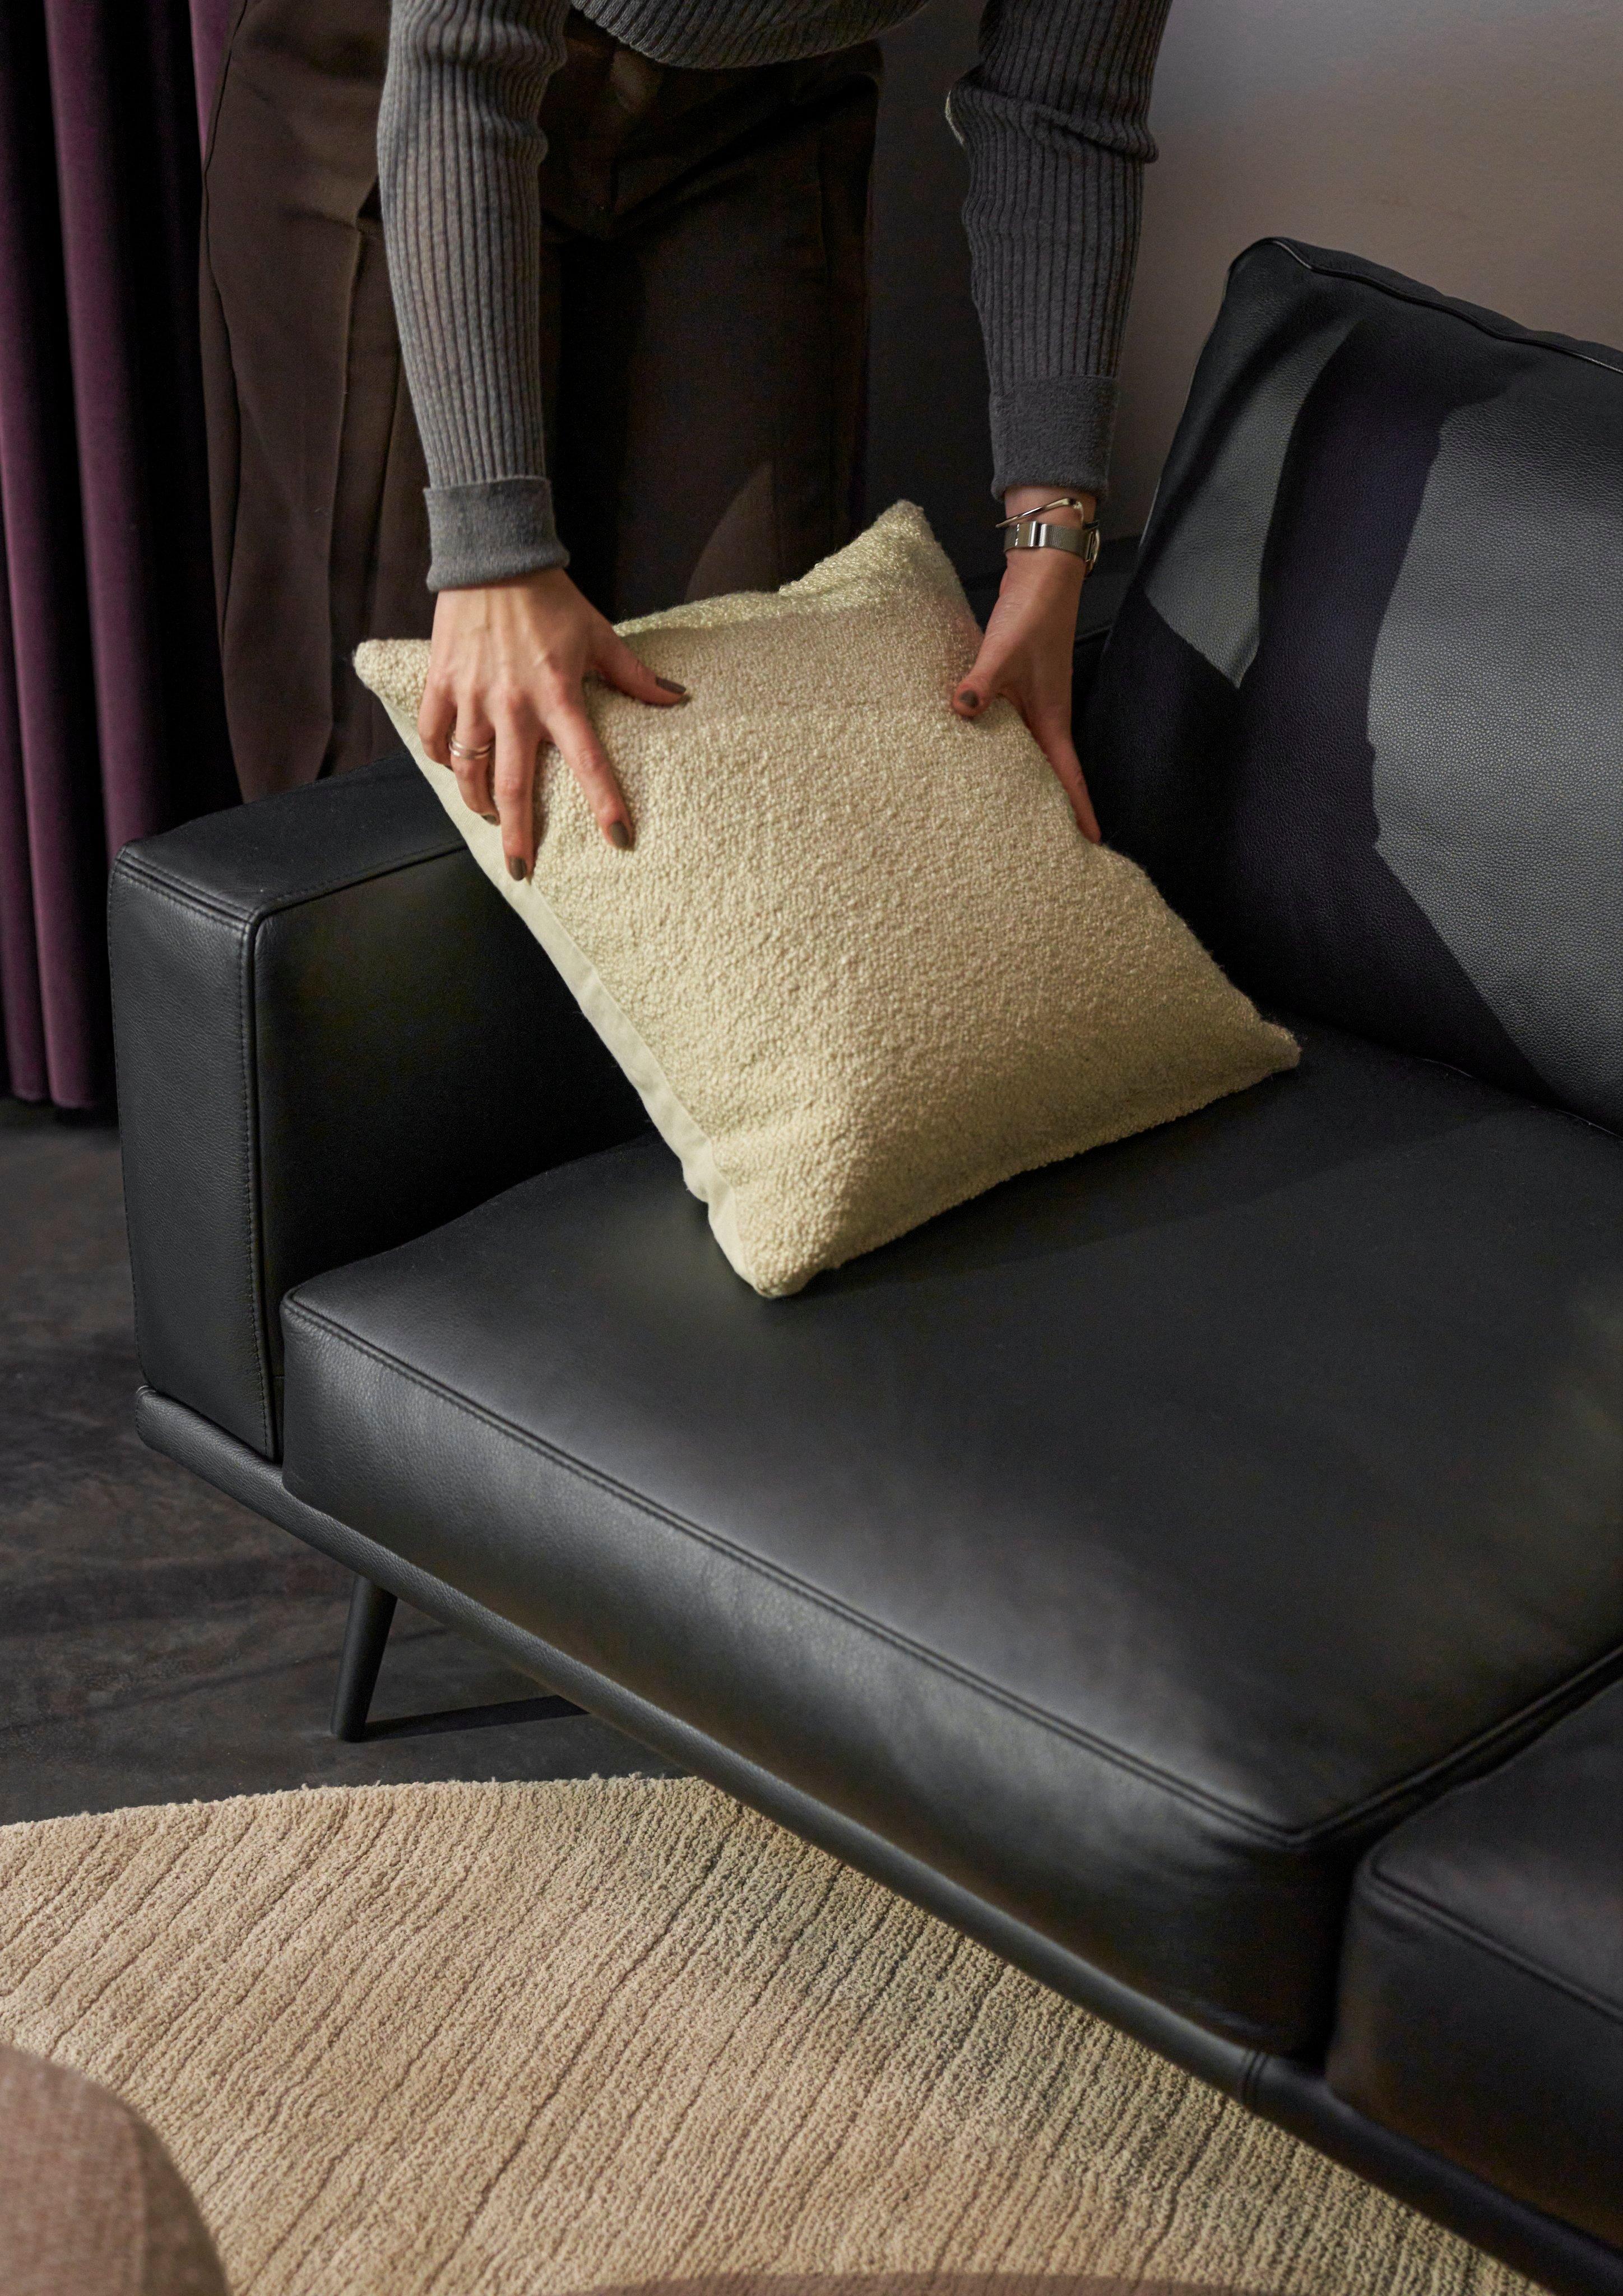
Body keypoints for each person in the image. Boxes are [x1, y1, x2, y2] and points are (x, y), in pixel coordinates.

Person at [379, 0, 1173, 875]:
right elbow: (460, 59)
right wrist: (492, 551)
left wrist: (1052, 542)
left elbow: (1064, 107)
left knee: (739, 747)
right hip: (419, 75)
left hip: (753, 98)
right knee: (427, 763)